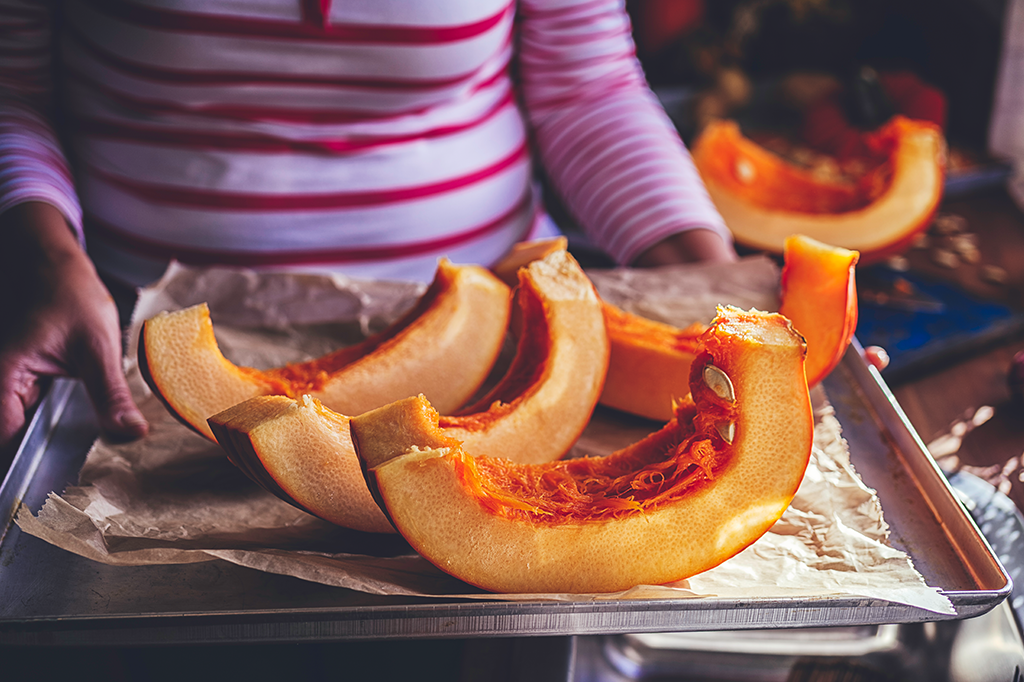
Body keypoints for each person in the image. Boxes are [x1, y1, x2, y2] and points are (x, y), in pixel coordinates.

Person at [0, 0, 738, 454]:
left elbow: (588, 88)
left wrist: (714, 287)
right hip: (122, 343)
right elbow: (11, 89)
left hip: (499, 339)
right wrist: (39, 255)